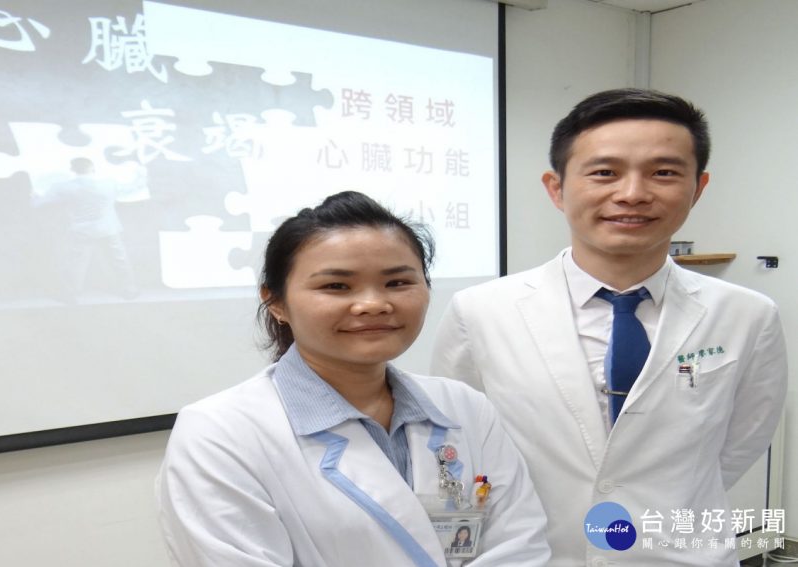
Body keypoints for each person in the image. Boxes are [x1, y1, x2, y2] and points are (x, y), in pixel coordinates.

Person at [431, 89, 787, 566]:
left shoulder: (748, 315)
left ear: (698, 188)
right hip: (537, 555)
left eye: (664, 172)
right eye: (604, 172)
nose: (632, 193)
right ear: (556, 188)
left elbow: (741, 442)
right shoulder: (480, 312)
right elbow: (457, 447)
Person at [157, 191, 550, 566]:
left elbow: (519, 545)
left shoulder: (464, 407)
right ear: (276, 302)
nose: (373, 304)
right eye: (336, 286)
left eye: (397, 282)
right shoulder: (219, 434)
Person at [33, 157, 137, 302]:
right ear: (93, 168)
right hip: (108, 228)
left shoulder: (62, 187)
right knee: (119, 260)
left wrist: (33, 196)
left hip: (82, 230)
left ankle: (71, 294)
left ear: (72, 170)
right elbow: (130, 190)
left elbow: (39, 204)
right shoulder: (109, 183)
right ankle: (129, 290)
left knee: (76, 264)